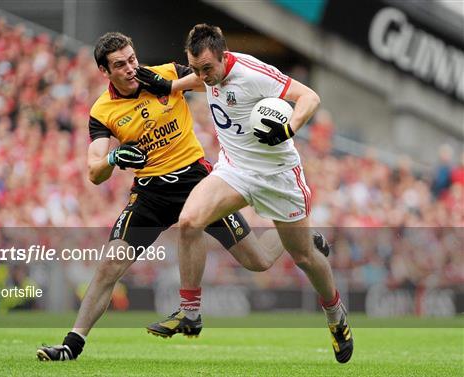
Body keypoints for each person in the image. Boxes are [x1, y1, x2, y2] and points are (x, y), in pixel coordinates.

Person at [36, 32, 329, 362]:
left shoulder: (168, 73)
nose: (131, 68)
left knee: (257, 261)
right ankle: (71, 345)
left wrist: (173, 86)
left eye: (132, 59)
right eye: (120, 65)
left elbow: (211, 76)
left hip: (196, 181)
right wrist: (113, 159)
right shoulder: (102, 111)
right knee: (109, 265)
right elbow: (94, 171)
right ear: (105, 72)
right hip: (150, 195)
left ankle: (300, 237)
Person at [141, 24, 353, 363]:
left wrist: (289, 127)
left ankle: (335, 314)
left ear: (225, 57)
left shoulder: (253, 73)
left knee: (303, 259)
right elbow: (198, 80)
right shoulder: (205, 74)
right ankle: (190, 312)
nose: (203, 76)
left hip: (278, 177)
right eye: (195, 68)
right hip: (234, 170)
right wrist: (174, 84)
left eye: (208, 68)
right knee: (189, 222)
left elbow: (309, 97)